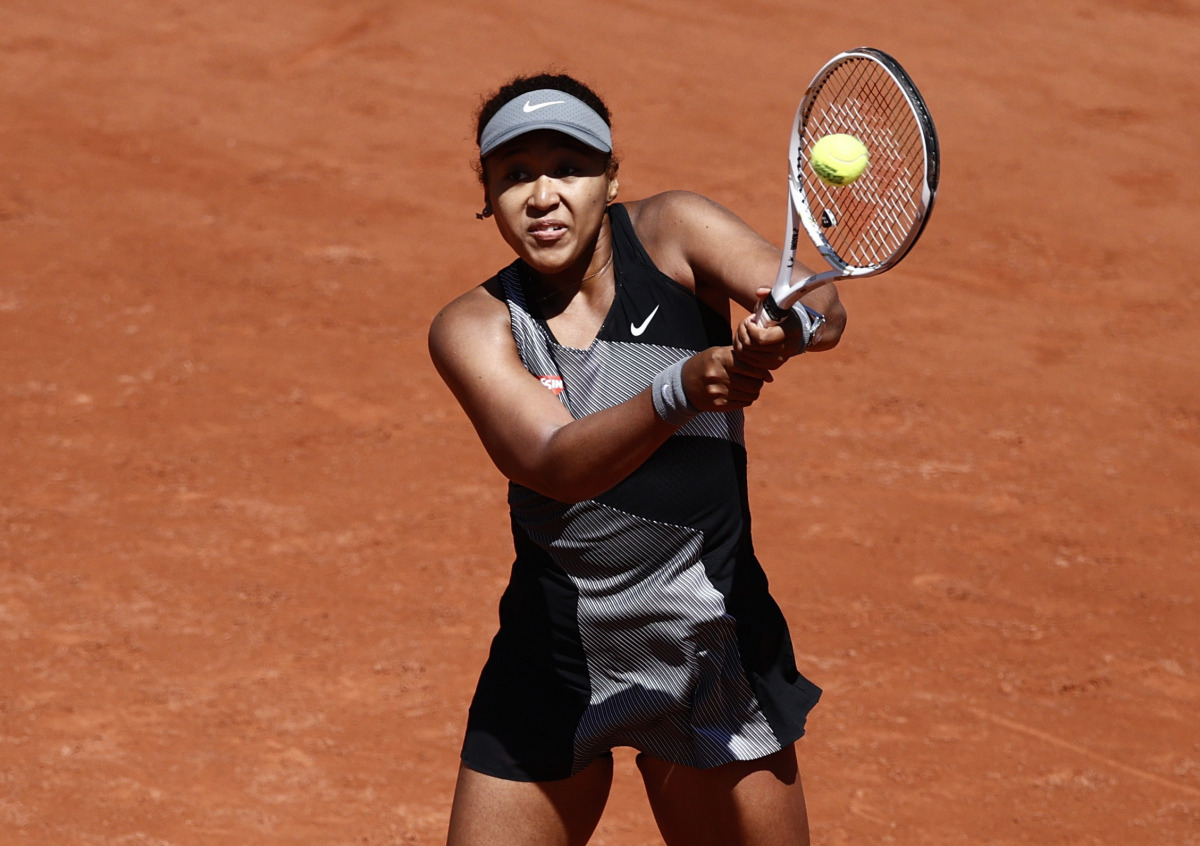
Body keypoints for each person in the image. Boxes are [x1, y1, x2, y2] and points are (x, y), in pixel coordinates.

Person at [427, 71, 846, 846]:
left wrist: (787, 326)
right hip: (554, 661)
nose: (543, 194)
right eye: (516, 174)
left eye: (569, 168)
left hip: (706, 650)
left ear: (612, 177)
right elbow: (555, 462)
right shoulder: (472, 325)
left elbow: (818, 304)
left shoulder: (674, 231)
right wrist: (682, 386)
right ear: (486, 193)